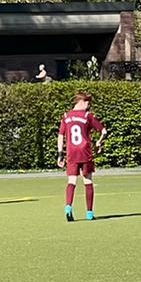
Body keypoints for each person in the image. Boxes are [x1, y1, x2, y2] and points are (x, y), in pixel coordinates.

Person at [57, 92, 105, 222]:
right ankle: (89, 213)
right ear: (83, 102)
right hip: (85, 152)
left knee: (71, 181)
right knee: (87, 180)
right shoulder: (87, 115)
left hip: (71, 152)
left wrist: (60, 154)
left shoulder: (66, 116)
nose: (88, 106)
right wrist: (99, 142)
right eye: (88, 103)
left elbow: (60, 136)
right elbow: (103, 131)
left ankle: (68, 207)